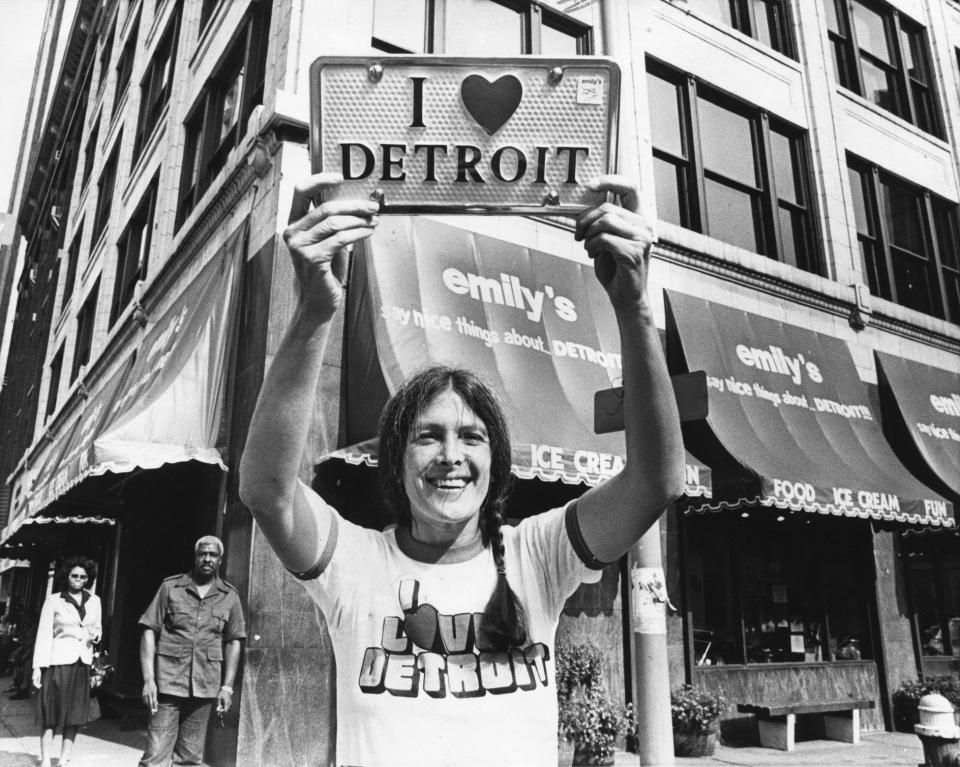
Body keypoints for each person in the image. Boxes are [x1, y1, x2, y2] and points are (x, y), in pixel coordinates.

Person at [238, 173, 685, 767]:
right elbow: (266, 489)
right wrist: (317, 310)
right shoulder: (358, 566)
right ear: (395, 464)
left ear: (495, 464)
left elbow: (657, 481)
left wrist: (633, 306)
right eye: (427, 437)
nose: (451, 455)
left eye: (471, 437)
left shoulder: (539, 556)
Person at [137, 536, 246, 767]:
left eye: (213, 555)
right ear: (195, 556)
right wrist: (149, 680)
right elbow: (149, 629)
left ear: (220, 560)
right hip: (168, 684)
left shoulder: (230, 596)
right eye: (202, 554)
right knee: (155, 756)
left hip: (205, 686)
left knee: (189, 760)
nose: (207, 559)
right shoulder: (170, 587)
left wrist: (227, 687)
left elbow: (233, 641)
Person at [31, 556, 102, 767]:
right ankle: (45, 760)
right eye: (74, 576)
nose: (79, 580)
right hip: (58, 663)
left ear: (88, 579)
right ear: (67, 576)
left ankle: (62, 760)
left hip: (82, 663)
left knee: (75, 715)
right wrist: (37, 667)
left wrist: (96, 635)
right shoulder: (54, 600)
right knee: (51, 713)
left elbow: (97, 628)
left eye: (83, 576)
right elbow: (44, 635)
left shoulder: (94, 601)